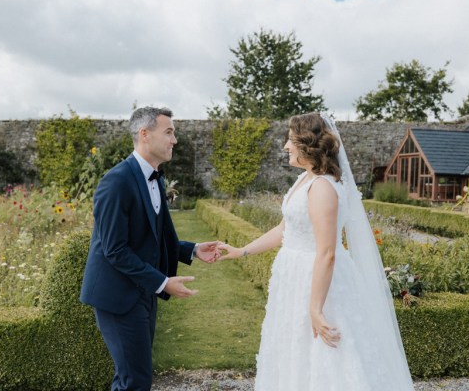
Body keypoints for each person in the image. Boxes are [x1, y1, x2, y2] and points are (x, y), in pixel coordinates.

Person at [219, 112, 414, 390]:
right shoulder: (306, 179)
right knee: (294, 353)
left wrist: (315, 309)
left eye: (290, 140)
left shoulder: (322, 187)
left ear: (308, 144)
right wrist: (241, 251)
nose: (285, 146)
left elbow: (327, 252)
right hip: (294, 277)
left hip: (317, 282)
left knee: (326, 357)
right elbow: (284, 229)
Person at [80, 106, 220, 391]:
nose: (175, 140)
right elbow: (115, 250)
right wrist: (163, 282)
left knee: (132, 379)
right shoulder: (116, 182)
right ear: (144, 134)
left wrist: (192, 250)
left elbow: (151, 238)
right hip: (118, 297)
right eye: (169, 132)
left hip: (143, 294)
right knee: (135, 381)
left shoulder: (157, 178)